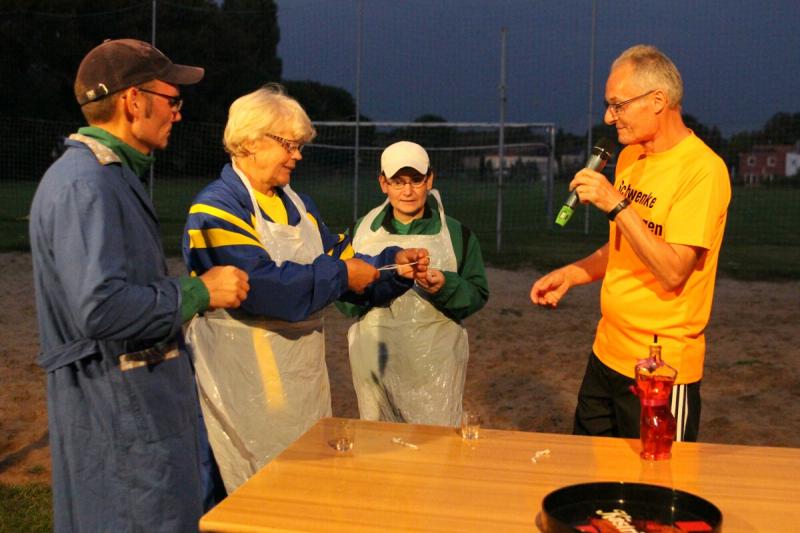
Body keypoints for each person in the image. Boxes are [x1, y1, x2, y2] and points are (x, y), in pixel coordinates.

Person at [28, 39, 250, 532]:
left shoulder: (106, 176)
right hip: (118, 419)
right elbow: (100, 308)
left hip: (129, 414)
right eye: (172, 99)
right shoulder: (87, 184)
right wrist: (199, 292)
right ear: (133, 101)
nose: (178, 113)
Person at [182, 85, 429, 492]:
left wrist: (393, 266)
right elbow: (260, 287)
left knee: (299, 487)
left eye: (299, 146)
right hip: (238, 384)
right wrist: (342, 274)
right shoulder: (215, 209)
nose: (297, 155)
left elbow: (342, 259)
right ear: (250, 142)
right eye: (289, 144)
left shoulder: (299, 205)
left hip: (300, 382)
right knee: (244, 495)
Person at [530, 45, 731, 442]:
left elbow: (672, 271)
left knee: (655, 477)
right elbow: (626, 245)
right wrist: (572, 274)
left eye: (618, 105)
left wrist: (615, 204)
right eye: (609, 106)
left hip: (659, 369)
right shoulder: (629, 158)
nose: (609, 117)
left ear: (658, 101)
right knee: (588, 469)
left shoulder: (703, 171)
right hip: (606, 352)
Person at [337, 141, 489, 426]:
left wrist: (446, 286)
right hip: (376, 365)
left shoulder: (457, 234)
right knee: (380, 442)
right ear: (383, 183)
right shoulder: (361, 232)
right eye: (398, 181)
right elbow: (343, 299)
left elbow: (477, 293)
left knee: (435, 444)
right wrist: (372, 285)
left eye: (416, 180)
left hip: (435, 369)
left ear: (430, 180)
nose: (407, 191)